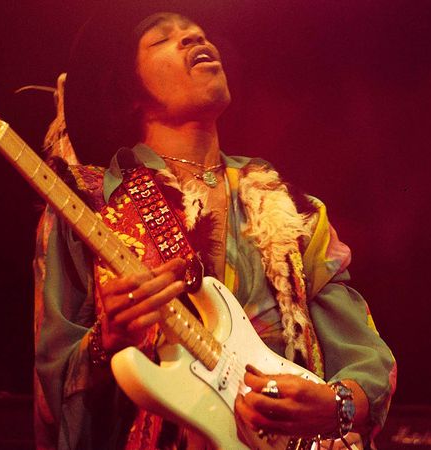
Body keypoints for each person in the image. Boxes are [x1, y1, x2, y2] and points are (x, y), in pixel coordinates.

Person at [33, 5, 396, 449]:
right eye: (162, 39)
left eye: (197, 32)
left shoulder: (292, 209)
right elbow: (52, 382)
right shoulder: (87, 208)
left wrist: (337, 403)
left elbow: (364, 355)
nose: (192, 38)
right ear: (128, 89)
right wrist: (105, 343)